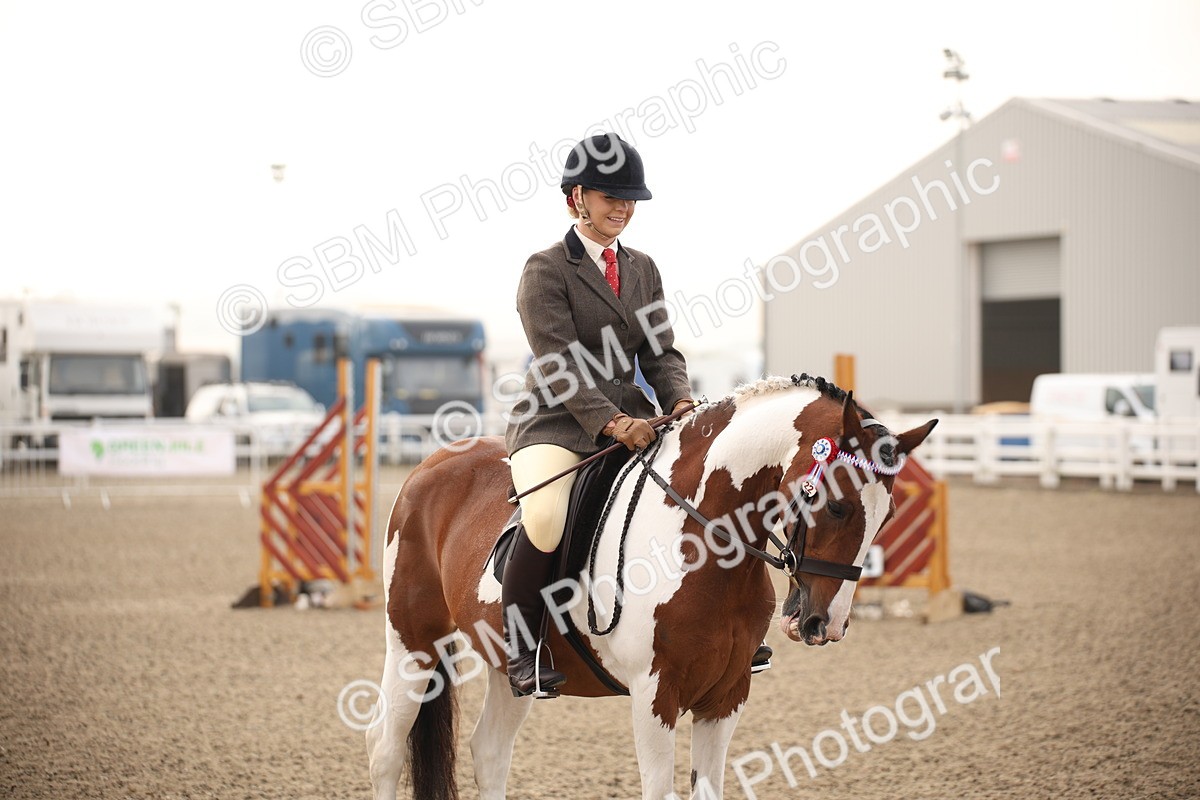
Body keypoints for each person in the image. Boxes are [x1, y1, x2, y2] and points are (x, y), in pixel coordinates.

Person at [501, 133, 770, 698]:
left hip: (637, 419)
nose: (622, 209)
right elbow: (557, 363)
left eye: (630, 200)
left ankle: (722, 625)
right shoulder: (545, 270)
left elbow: (660, 351)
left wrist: (679, 401)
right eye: (610, 198)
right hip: (555, 424)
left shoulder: (642, 268)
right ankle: (523, 647)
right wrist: (611, 423)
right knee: (546, 517)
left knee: (699, 491)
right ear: (577, 198)